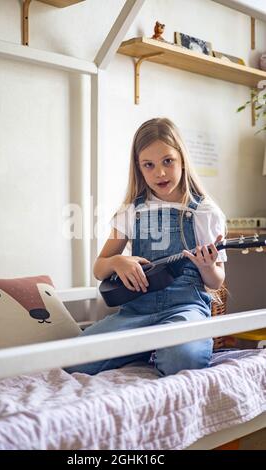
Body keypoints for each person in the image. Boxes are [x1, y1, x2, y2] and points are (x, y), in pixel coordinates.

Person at [66, 117, 227, 377]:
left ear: (182, 159)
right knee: (73, 360)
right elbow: (99, 268)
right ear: (139, 168)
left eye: (168, 161)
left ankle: (157, 348)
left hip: (184, 308)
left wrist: (207, 267)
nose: (160, 173)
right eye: (148, 165)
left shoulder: (204, 212)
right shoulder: (132, 212)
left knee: (181, 360)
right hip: (135, 312)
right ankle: (144, 347)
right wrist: (117, 262)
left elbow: (217, 281)